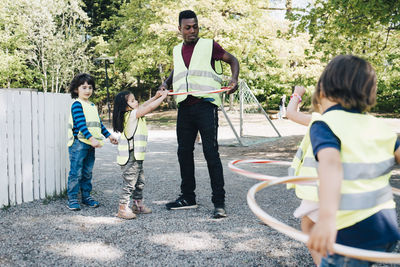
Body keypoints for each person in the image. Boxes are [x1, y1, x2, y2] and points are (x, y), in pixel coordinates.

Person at [306, 55, 400, 266]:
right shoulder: (381, 127)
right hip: (385, 226)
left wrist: (327, 219)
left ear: (323, 90)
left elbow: (331, 164)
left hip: (349, 230)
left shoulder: (324, 124)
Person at [159, 10, 240, 219]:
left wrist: (234, 79)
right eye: (188, 27)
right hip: (185, 107)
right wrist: (165, 83)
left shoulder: (209, 46)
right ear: (180, 29)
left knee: (211, 153)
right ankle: (188, 197)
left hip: (205, 105)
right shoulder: (177, 50)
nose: (192, 30)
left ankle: (219, 203)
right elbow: (178, 70)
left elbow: (233, 60)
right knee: (183, 152)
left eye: (195, 26)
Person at [112, 90, 168, 220]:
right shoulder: (131, 115)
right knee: (130, 183)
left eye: (135, 99)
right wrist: (163, 98)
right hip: (130, 156)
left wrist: (156, 96)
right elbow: (148, 108)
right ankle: (122, 208)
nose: (136, 102)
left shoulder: (133, 113)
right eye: (132, 101)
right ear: (125, 107)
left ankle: (137, 205)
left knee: (139, 182)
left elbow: (143, 106)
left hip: (137, 156)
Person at [67, 73, 118, 211]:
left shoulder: (92, 105)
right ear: (76, 89)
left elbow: (99, 124)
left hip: (91, 144)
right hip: (79, 143)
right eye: (84, 87)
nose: (88, 90)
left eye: (90, 87)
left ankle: (86, 197)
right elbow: (81, 124)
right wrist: (91, 139)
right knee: (76, 172)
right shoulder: (77, 105)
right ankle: (72, 199)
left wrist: (109, 136)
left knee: (87, 172)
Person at [286, 85, 322, 265]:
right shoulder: (359, 122)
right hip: (345, 191)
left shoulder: (319, 120)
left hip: (317, 190)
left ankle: (323, 264)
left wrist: (297, 94)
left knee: (308, 225)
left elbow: (290, 113)